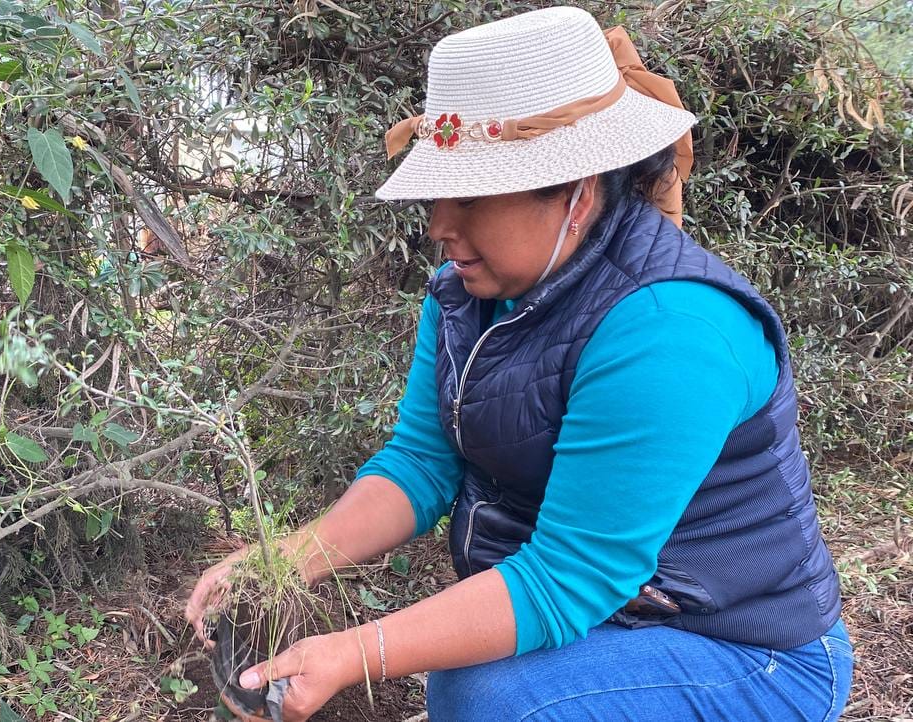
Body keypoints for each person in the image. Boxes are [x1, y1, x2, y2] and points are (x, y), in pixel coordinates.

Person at [185, 7, 851, 721]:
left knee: (495, 700)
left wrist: (357, 652)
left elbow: (569, 574)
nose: (442, 227)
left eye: (471, 196)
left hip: (747, 648)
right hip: (619, 617)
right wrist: (285, 560)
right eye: (438, 195)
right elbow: (422, 463)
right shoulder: (467, 294)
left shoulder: (669, 332)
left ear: (576, 190)